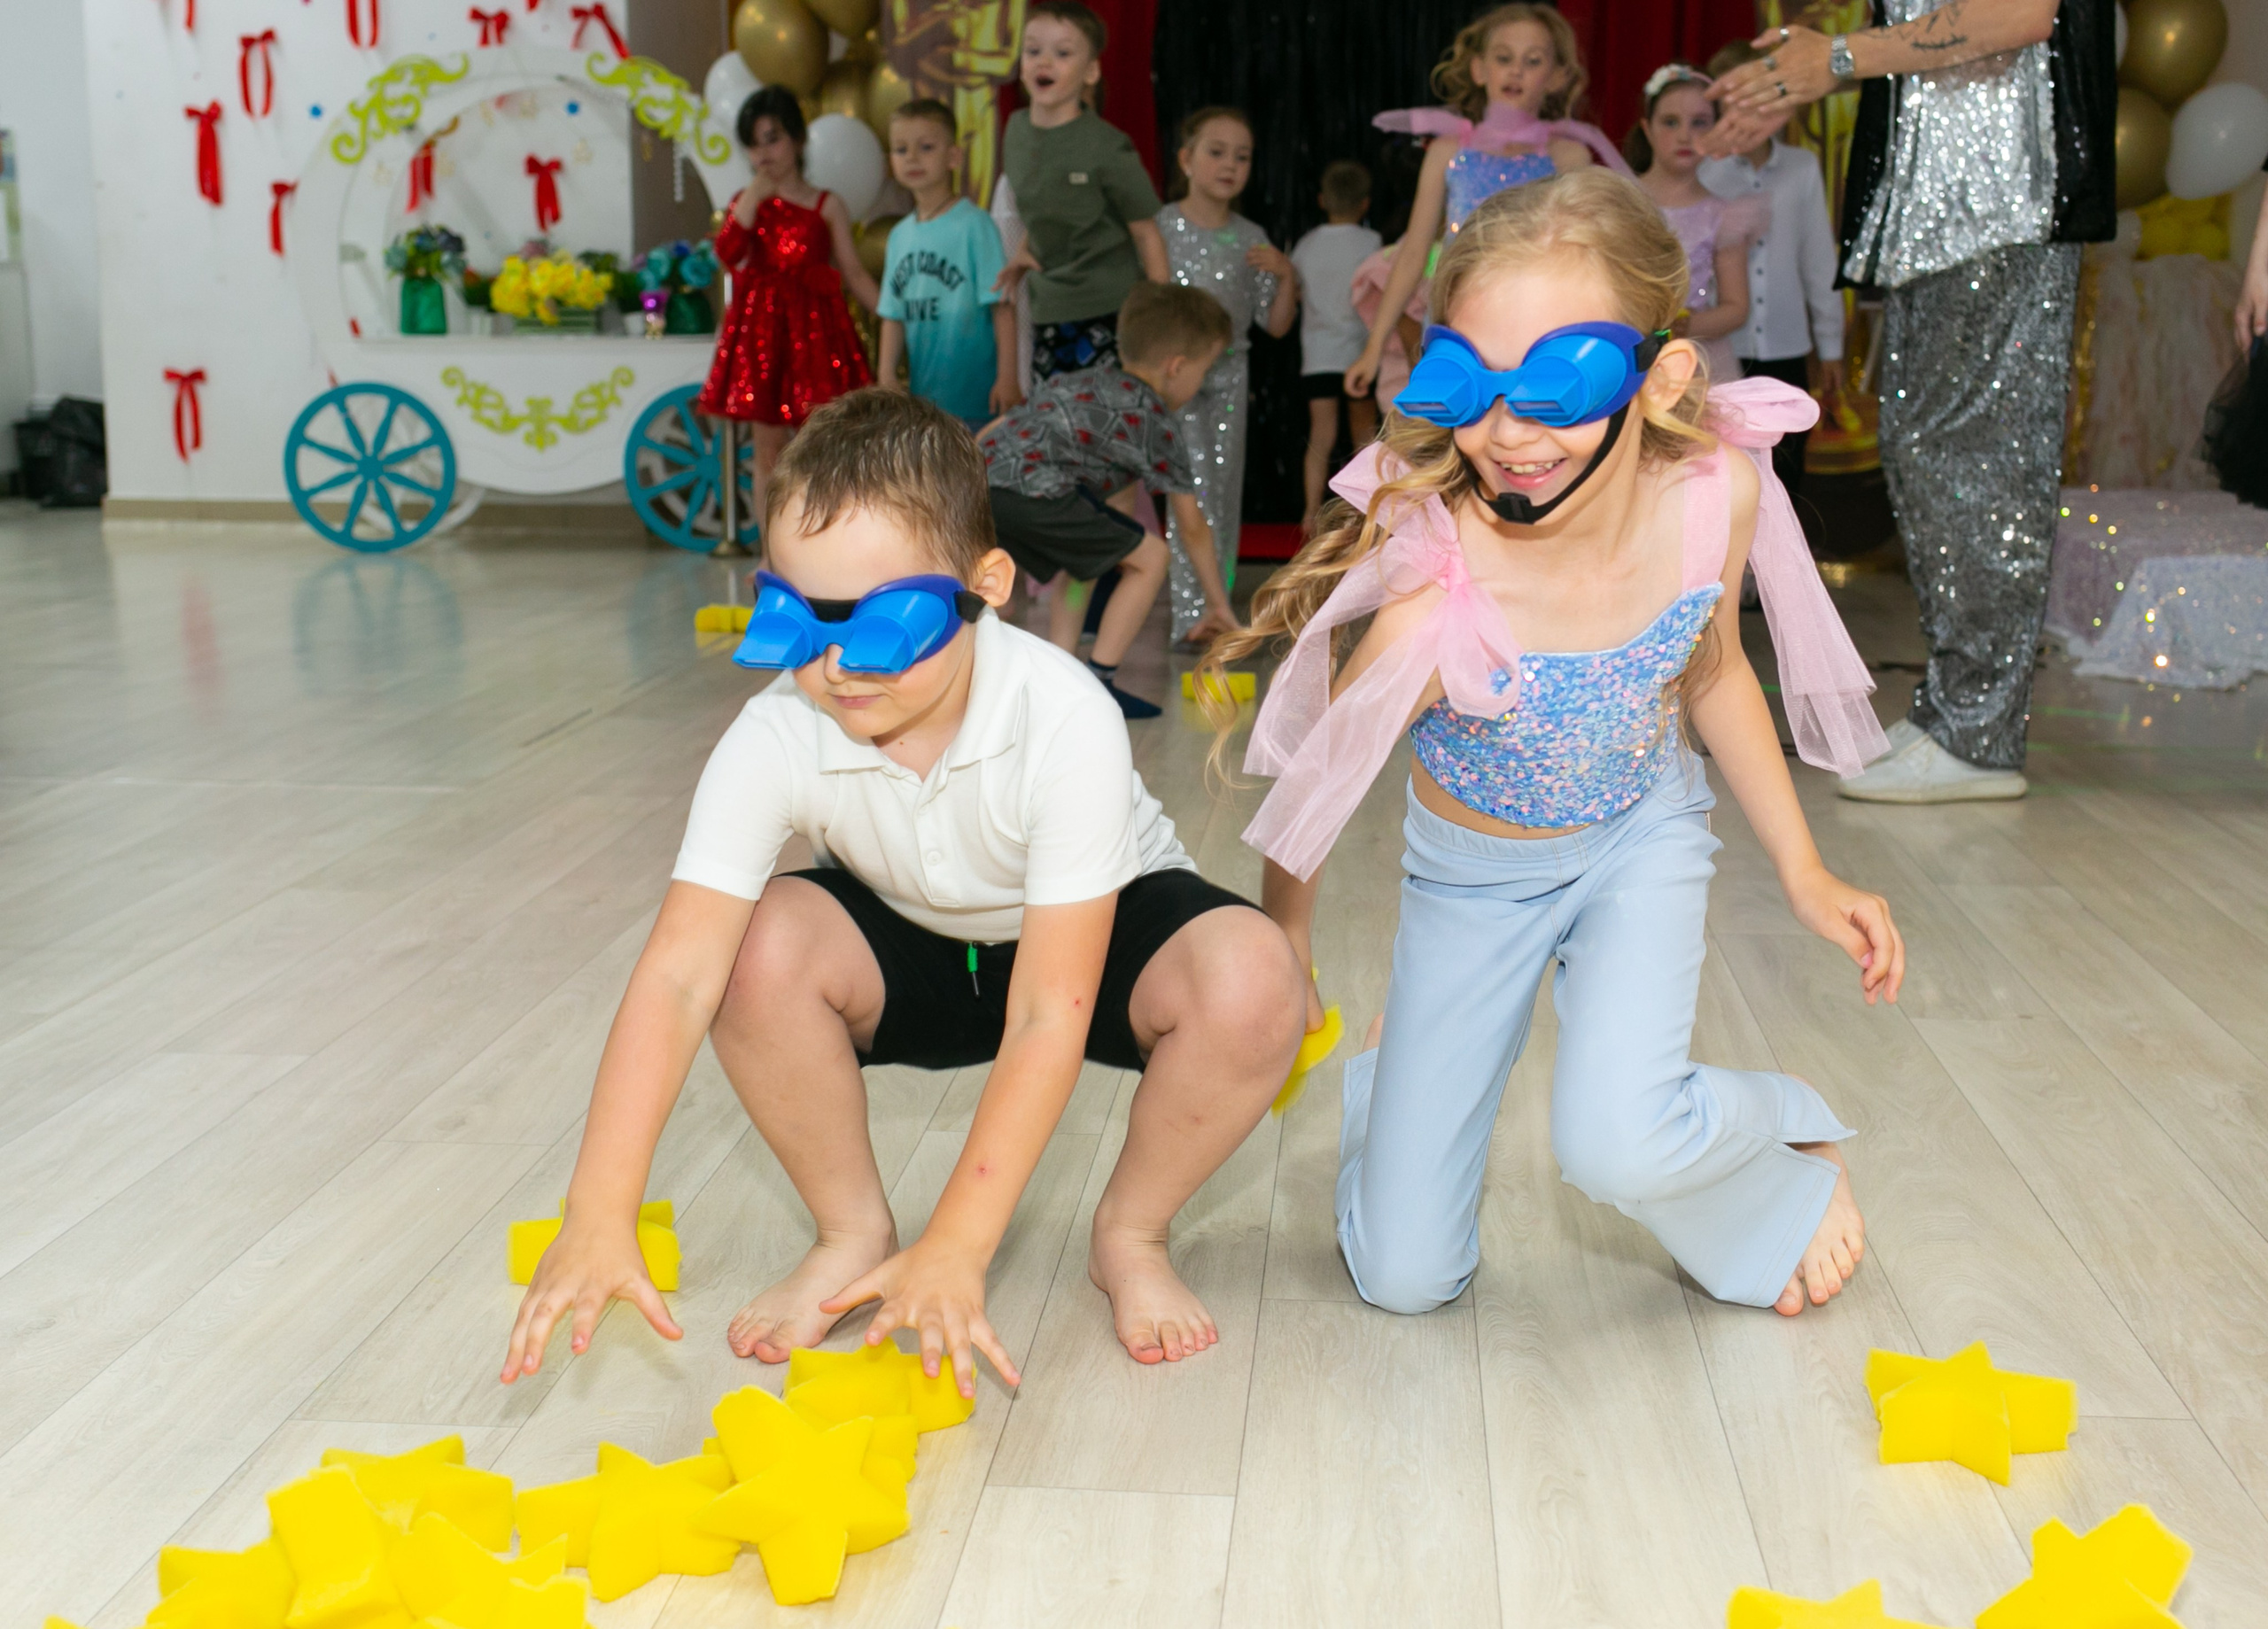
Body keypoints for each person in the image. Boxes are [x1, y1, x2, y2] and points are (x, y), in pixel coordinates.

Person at [500, 390, 1308, 1391]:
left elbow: (1051, 1010)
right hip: (916, 943)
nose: (837, 666)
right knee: (751, 948)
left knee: (1253, 982)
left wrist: (960, 1247)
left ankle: (1132, 1235)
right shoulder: (777, 731)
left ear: (989, 584)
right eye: (798, 621)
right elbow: (675, 980)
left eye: (887, 626)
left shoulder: (1060, 716)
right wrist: (598, 1212)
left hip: (1087, 945)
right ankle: (850, 1232)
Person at [1202, 171, 1900, 1320]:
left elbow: (1714, 665)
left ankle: (1784, 1131)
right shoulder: (1440, 581)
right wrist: (1288, 950)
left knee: (1618, 1143)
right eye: (1469, 387)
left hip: (1640, 836)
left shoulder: (1709, 495)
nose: (1507, 434)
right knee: (1407, 1278)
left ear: (1662, 374)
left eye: (1559, 386)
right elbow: (1321, 787)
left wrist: (1805, 868)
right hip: (1471, 881)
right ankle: (1399, 1083)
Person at [1707, 2, 2115, 803]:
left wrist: (1841, 60)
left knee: (1981, 461)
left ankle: (1979, 732)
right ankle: (1955, 712)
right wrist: (1814, 69)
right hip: (1944, 212)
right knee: (1927, 450)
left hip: (2002, 204)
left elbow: (2025, 13)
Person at [980, 282, 1241, 718]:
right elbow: (1190, 525)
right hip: (1033, 490)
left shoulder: (1088, 380)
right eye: (1205, 370)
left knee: (1091, 554)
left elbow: (1006, 425)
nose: (1202, 383)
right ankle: (1100, 684)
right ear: (1177, 367)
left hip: (983, 481)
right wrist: (1218, 603)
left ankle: (1059, 674)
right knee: (1153, 557)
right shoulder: (1152, 416)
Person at [1342, 3, 1625, 401]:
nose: (1516, 70)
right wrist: (1373, 348)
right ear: (1479, 69)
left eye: (1533, 60)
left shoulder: (1567, 156)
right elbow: (1412, 253)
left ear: (1557, 76)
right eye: (1504, 58)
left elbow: (1585, 251)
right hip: (1457, 324)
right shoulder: (1448, 150)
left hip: (1538, 325)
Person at [1156, 107, 1299, 640]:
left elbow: (1276, 325)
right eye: (1216, 152)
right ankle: (1192, 615)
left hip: (1230, 377)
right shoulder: (1163, 228)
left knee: (1221, 491)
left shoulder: (1251, 237)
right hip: (1176, 378)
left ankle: (1213, 609)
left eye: (1242, 156)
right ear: (1187, 159)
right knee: (1187, 491)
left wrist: (1287, 276)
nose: (1230, 165)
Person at [697, 87, 881, 497]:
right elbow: (727, 253)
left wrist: (895, 314)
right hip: (765, 341)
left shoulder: (826, 205)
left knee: (823, 448)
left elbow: (853, 272)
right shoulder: (748, 203)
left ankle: (817, 552)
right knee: (769, 454)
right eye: (753, 144)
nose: (763, 154)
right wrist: (750, 201)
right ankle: (771, 555)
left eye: (773, 138)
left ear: (797, 140)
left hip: (818, 339)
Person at [1697, 41, 1844, 498]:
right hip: (1724, 350)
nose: (1749, 115)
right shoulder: (1704, 173)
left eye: (1760, 100)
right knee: (1728, 473)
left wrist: (1831, 344)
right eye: (1736, 102)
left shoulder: (1802, 168)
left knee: (1787, 475)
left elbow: (1818, 261)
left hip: (1786, 345)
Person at [994, 1, 1169, 381]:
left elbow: (1146, 233)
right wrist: (1024, 255)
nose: (1044, 61)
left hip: (1109, 309)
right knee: (1054, 423)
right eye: (1033, 49)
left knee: (1104, 425)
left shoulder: (1107, 146)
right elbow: (1041, 206)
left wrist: (1159, 319)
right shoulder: (1016, 131)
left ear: (1090, 71)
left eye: (1062, 53)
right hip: (1050, 309)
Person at [875, 99, 1021, 429]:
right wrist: (885, 374)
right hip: (923, 403)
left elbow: (1002, 306)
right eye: (901, 149)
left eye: (926, 147)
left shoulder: (975, 225)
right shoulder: (899, 236)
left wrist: (1008, 377)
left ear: (953, 157)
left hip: (976, 398)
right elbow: (892, 315)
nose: (912, 157)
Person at [1627, 65, 1765, 392]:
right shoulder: (1621, 199)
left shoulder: (1723, 214)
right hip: (1625, 354)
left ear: (1717, 129)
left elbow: (1736, 308)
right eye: (1670, 122)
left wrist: (1682, 326)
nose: (1685, 135)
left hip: (1696, 365)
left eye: (1699, 122)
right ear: (1647, 128)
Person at [1294, 161, 1384, 534]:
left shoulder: (1306, 244)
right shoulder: (1372, 243)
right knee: (1364, 435)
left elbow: (1298, 293)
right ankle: (1367, 512)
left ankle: (1311, 512)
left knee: (1320, 436)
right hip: (1360, 354)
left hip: (1318, 355)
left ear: (1321, 200)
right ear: (1364, 203)